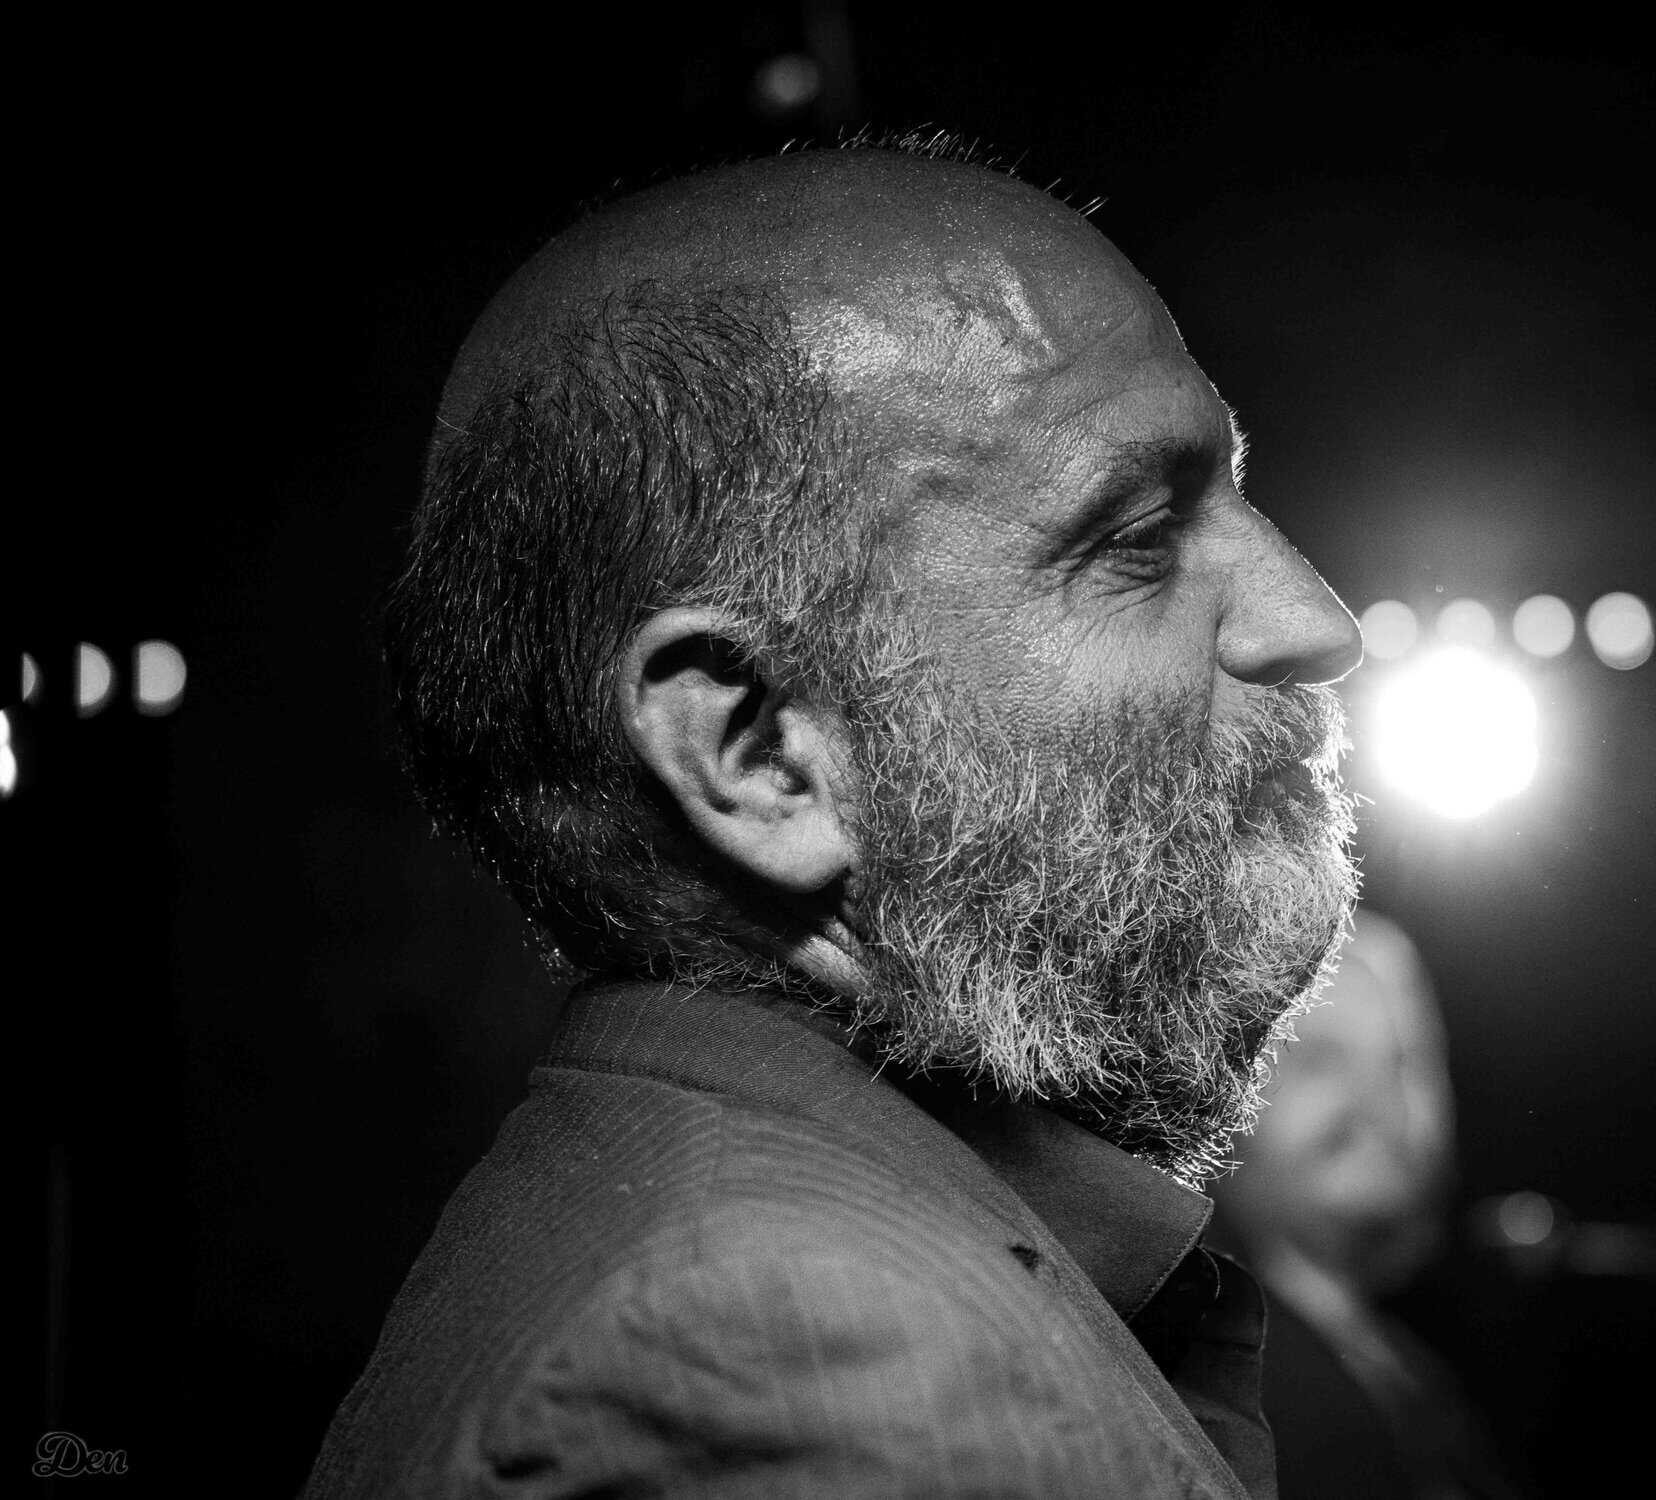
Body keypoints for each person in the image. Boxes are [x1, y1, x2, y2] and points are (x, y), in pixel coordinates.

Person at [304, 133, 1364, 1499]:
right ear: (759, 757)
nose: (1312, 620)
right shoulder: (805, 1367)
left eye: (1233, 494)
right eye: (1133, 540)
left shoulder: (717, 1243)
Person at [1207, 910, 1524, 1499]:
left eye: (1401, 1064)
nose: (1379, 1103)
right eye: (1321, 1059)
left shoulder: (1406, 1366)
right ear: (1225, 1094)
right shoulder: (1211, 1382)